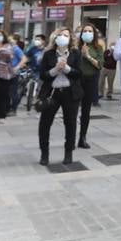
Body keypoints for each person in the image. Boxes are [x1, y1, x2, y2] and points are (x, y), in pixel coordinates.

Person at [38, 27, 83, 166]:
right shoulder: (48, 54)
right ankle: (44, 153)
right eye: (60, 35)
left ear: (70, 39)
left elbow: (79, 73)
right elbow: (43, 75)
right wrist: (55, 70)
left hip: (70, 92)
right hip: (52, 93)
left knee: (70, 124)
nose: (63, 37)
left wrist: (67, 69)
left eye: (66, 35)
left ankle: (68, 152)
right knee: (45, 124)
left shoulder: (75, 53)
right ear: (55, 38)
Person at [77, 23, 103, 147]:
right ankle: (71, 137)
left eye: (90, 31)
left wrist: (87, 56)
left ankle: (82, 137)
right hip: (77, 80)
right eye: (85, 31)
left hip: (91, 80)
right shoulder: (75, 47)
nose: (87, 34)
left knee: (86, 110)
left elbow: (99, 65)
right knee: (72, 109)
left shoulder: (98, 48)